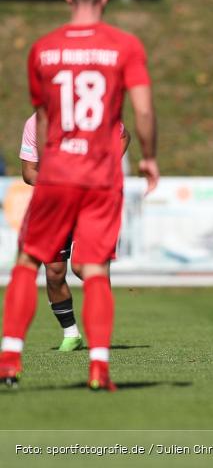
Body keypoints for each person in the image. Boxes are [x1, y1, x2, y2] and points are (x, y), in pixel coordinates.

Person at [0, 0, 159, 391]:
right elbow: (142, 109)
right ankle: (99, 367)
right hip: (100, 177)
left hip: (59, 171)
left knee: (27, 261)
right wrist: (149, 157)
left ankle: (10, 358)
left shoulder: (43, 49)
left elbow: (44, 116)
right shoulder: (125, 46)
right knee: (94, 271)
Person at [19, 113, 131, 353]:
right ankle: (71, 334)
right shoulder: (34, 123)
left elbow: (123, 135)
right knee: (54, 272)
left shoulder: (89, 112)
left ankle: (101, 330)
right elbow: (28, 172)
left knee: (83, 267)